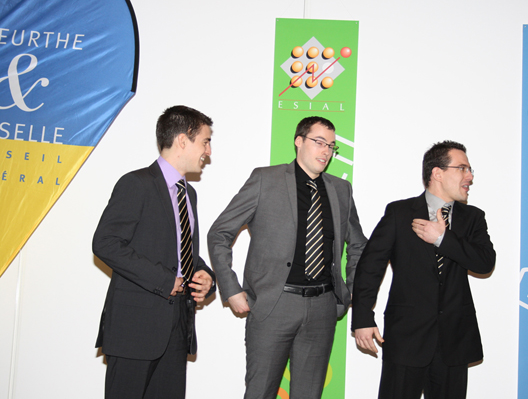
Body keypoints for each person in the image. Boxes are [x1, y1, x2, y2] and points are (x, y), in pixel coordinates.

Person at [208, 116, 367, 399]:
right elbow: (219, 233)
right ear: (298, 141)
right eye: (319, 142)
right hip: (274, 305)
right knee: (261, 392)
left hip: (322, 308)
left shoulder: (341, 190)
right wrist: (230, 289)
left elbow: (358, 245)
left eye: (331, 146)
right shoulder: (264, 180)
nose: (326, 151)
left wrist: (352, 290)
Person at [352, 140, 496, 399]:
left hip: (454, 340)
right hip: (406, 337)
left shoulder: (473, 217)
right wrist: (362, 318)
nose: (470, 177)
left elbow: (485, 262)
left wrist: (442, 238)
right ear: (437, 173)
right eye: (462, 168)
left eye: (470, 169)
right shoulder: (399, 212)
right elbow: (370, 267)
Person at [93, 105, 217, 399]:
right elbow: (106, 243)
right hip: (134, 329)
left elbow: (183, 252)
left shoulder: (189, 194)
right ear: (183, 140)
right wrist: (164, 280)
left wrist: (205, 276)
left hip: (177, 329)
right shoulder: (136, 184)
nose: (208, 151)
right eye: (205, 141)